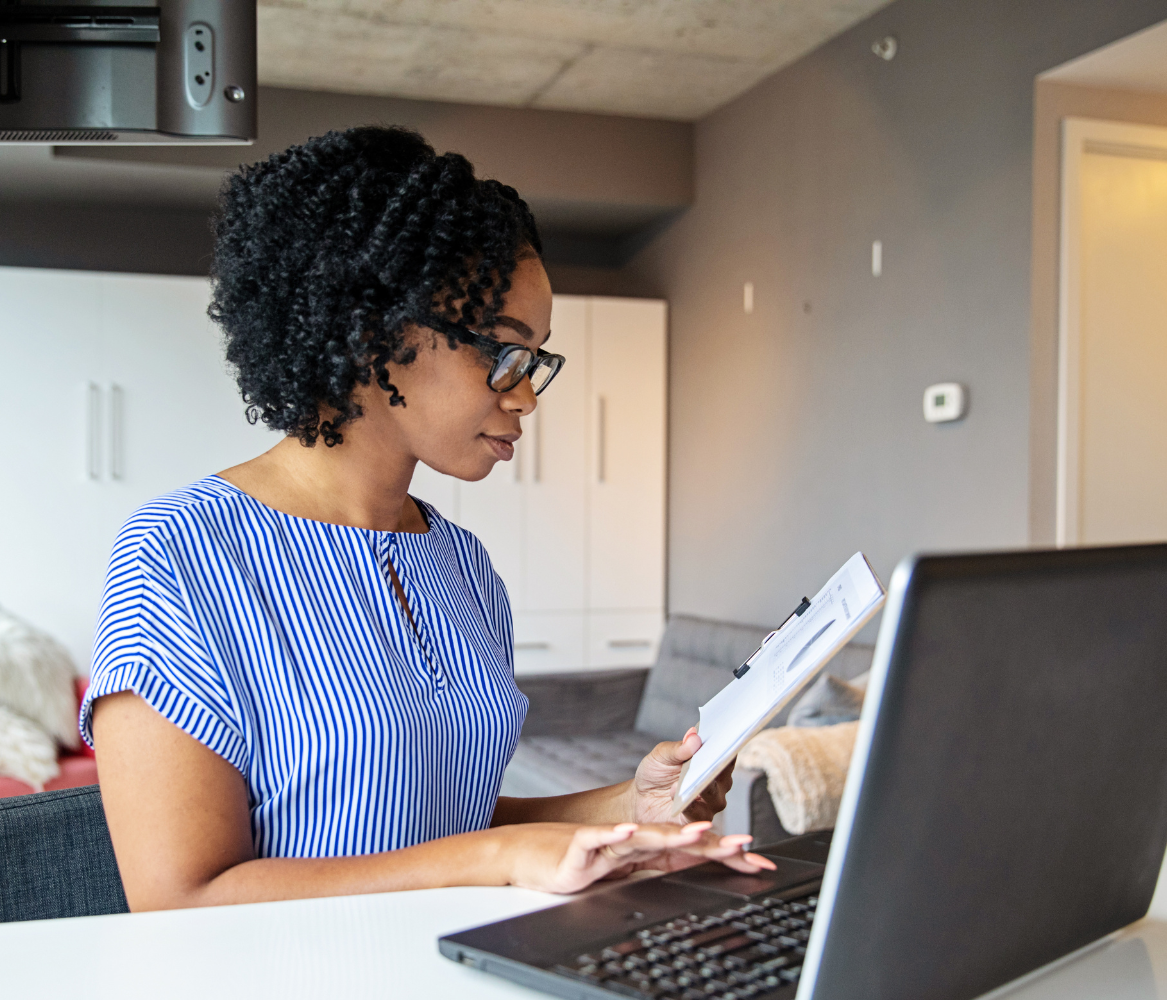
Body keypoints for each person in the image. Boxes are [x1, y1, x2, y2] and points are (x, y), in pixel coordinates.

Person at [84, 126, 771, 910]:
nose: (527, 394)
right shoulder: (180, 554)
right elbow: (179, 899)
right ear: (374, 331)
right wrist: (504, 856)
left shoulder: (463, 565)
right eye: (505, 353)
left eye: (537, 359)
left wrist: (628, 808)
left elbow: (444, 829)